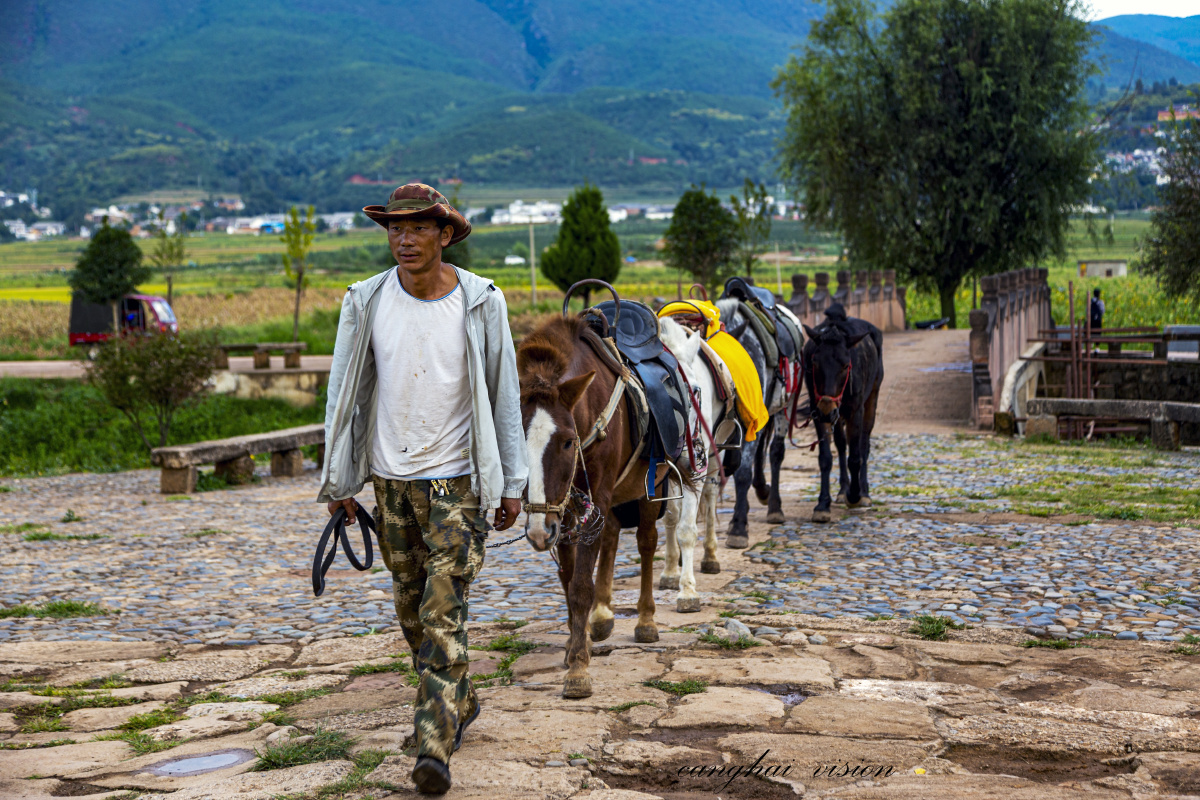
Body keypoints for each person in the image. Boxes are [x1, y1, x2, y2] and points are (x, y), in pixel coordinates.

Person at [318, 183, 527, 794]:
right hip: (390, 484)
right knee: (412, 610)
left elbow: (503, 394)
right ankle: (460, 696)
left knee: (442, 610)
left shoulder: (481, 301)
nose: (403, 240)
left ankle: (433, 743)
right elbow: (343, 393)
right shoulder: (366, 301)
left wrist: (511, 481)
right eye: (394, 229)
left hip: (456, 483)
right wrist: (339, 479)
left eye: (416, 229)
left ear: (445, 234)